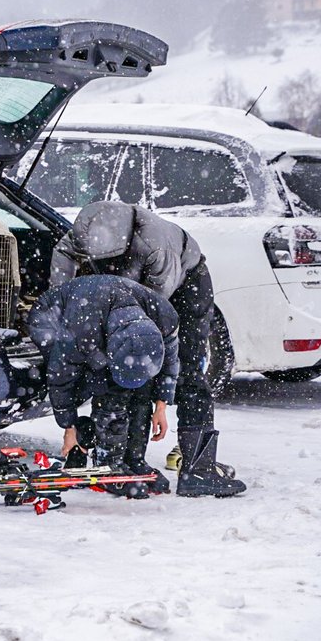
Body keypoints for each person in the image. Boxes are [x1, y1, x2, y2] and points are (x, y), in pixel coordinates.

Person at [49, 201, 246, 498]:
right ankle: (128, 462)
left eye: (111, 259)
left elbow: (152, 322)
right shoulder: (81, 235)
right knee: (121, 362)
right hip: (131, 287)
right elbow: (63, 278)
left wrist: (161, 402)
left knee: (184, 370)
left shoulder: (157, 247)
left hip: (184, 285)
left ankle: (198, 470)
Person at [27, 275, 180, 498]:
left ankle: (133, 459)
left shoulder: (164, 317)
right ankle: (108, 463)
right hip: (51, 318)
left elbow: (170, 363)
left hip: (102, 317)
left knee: (142, 388)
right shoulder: (82, 331)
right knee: (107, 387)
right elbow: (60, 378)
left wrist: (161, 406)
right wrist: (69, 427)